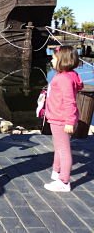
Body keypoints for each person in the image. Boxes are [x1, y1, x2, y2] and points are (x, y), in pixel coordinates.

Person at [44, 46, 83, 192]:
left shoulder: (63, 79)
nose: (51, 61)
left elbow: (69, 101)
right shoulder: (70, 75)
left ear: (62, 60)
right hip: (57, 118)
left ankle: (64, 181)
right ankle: (56, 171)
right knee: (58, 147)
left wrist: (69, 121)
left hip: (61, 119)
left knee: (64, 150)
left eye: (54, 58)